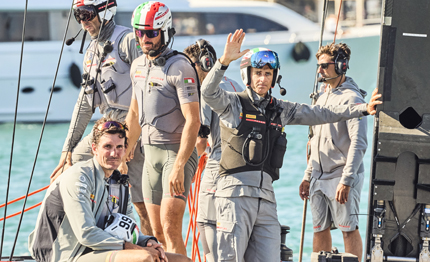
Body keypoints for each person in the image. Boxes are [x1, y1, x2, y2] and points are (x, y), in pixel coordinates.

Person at [200, 29, 382, 262]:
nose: (262, 79)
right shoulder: (232, 104)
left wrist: (362, 109)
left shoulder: (280, 109)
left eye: (267, 73)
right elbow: (207, 92)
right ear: (247, 75)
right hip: (234, 195)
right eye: (257, 73)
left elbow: (321, 113)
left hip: (265, 198)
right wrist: (224, 61)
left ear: (274, 77)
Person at [49, 0, 151, 235]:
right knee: (69, 166)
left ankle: (152, 252)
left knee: (142, 206)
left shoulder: (127, 41)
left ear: (105, 11)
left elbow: (147, 90)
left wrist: (130, 141)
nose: (83, 21)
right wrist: (67, 150)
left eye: (86, 14)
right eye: (77, 16)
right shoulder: (91, 52)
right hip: (110, 124)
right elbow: (84, 104)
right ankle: (86, 238)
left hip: (137, 127)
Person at [29, 118, 191, 262]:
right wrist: (134, 248)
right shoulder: (79, 177)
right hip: (66, 255)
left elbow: (130, 229)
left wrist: (148, 242)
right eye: (108, 146)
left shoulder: (119, 182)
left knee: (182, 260)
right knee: (144, 258)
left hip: (101, 249)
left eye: (119, 147)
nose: (114, 153)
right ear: (94, 148)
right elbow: (85, 233)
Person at [125, 1, 200, 255]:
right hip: (149, 156)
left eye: (151, 33)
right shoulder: (137, 67)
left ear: (165, 32)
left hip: (176, 155)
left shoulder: (180, 67)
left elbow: (194, 120)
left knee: (171, 229)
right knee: (156, 233)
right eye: (140, 32)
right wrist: (124, 153)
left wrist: (179, 165)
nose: (144, 38)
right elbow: (134, 114)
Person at [299, 43, 366, 261]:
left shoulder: (352, 99)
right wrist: (308, 176)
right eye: (318, 66)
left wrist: (347, 180)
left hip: (341, 176)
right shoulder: (321, 96)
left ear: (340, 65)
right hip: (318, 176)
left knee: (348, 228)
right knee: (319, 229)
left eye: (324, 66)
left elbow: (359, 142)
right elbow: (316, 140)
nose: (320, 70)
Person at [183, 40, 243, 262]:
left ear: (203, 64)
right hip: (241, 169)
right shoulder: (236, 84)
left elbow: (201, 140)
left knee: (204, 223)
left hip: (217, 167)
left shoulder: (205, 91)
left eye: (189, 67)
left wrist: (184, 169)